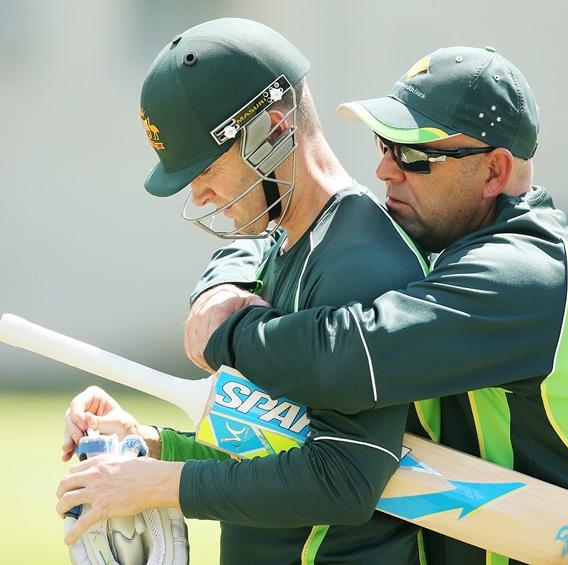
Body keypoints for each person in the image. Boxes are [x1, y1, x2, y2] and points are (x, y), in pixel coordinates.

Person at [183, 46, 568, 564]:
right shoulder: (465, 239)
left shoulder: (521, 275)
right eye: (385, 144)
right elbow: (287, 229)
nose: (385, 169)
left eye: (415, 155)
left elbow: (346, 357)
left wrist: (228, 332)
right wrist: (220, 285)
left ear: (494, 171)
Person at [57, 18, 432, 565]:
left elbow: (345, 478)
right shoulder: (287, 242)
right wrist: (148, 444)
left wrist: (161, 484)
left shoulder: (361, 264)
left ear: (273, 129)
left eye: (205, 167)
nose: (200, 194)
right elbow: (275, 444)